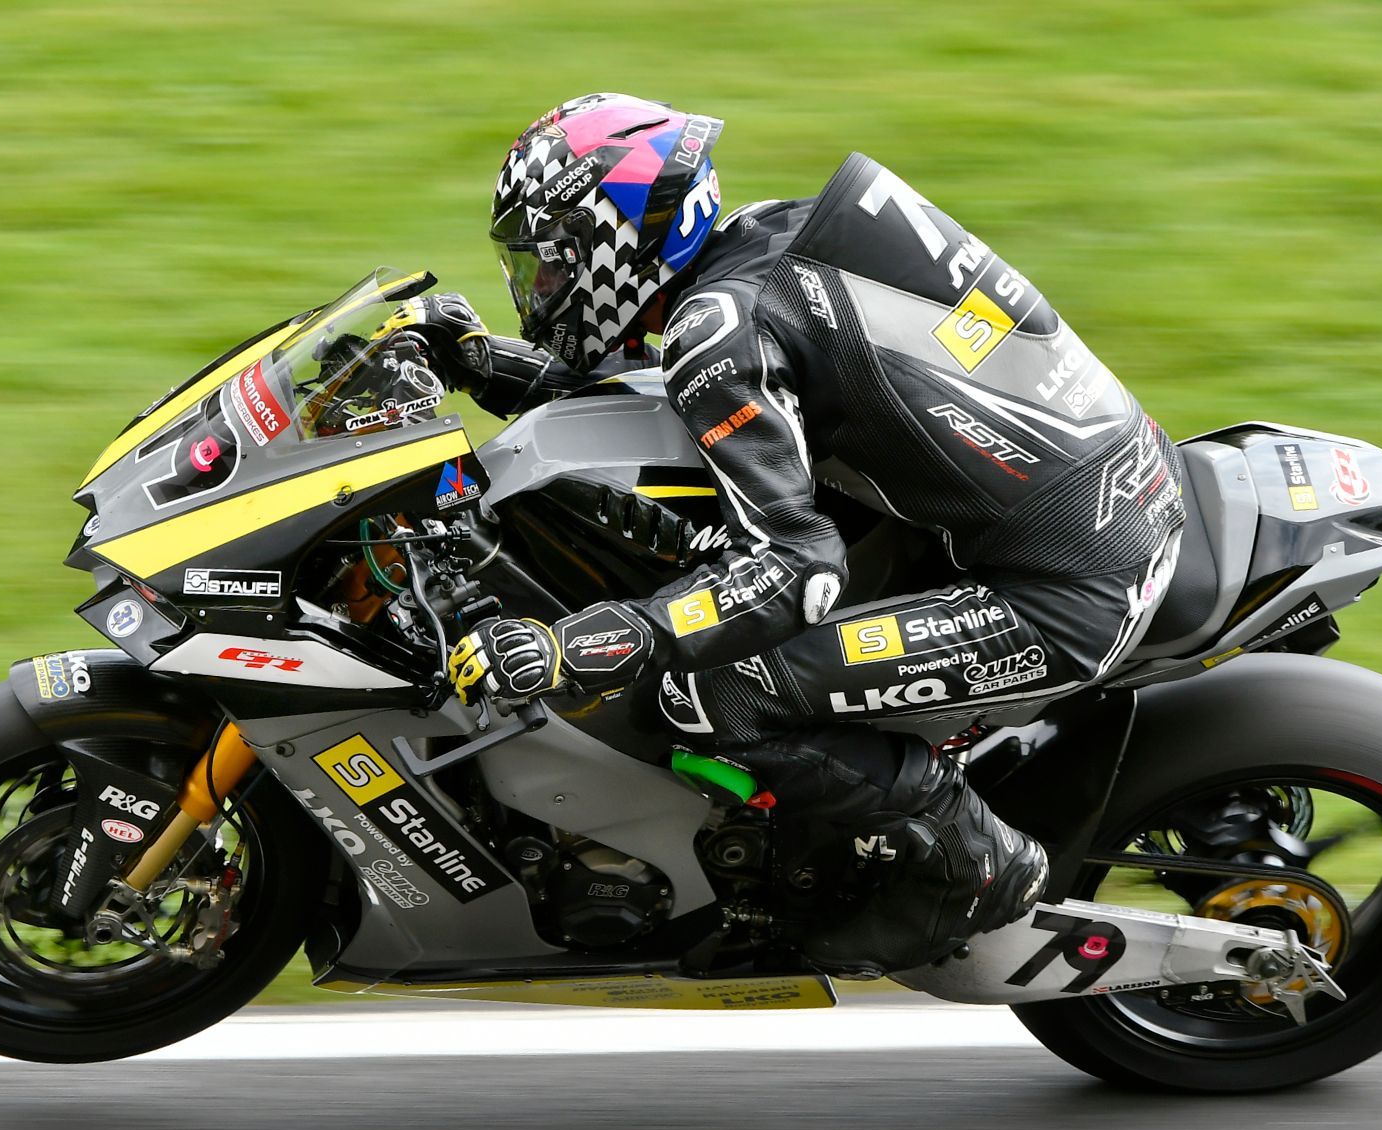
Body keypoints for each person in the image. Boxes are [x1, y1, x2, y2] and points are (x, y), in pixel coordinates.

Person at [401, 92, 1185, 977]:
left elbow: (796, 568)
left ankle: (976, 865)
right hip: (1093, 496)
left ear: (619, 240)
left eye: (549, 267)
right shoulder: (760, 246)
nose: (537, 290)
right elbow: (687, 389)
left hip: (1064, 586)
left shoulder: (716, 326)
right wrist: (488, 365)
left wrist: (587, 641)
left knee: (712, 692)